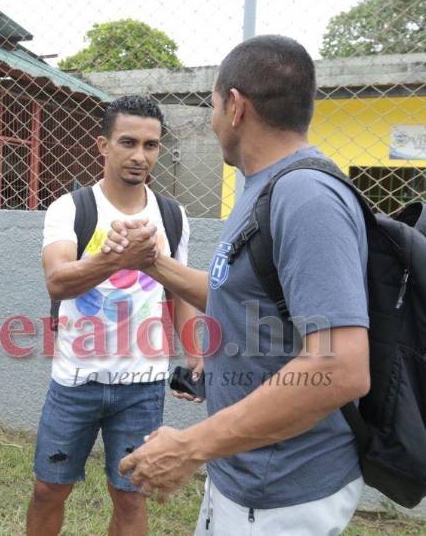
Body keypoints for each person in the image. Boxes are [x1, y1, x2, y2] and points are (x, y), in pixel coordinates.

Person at [117, 35, 370, 534]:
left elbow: (341, 367)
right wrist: (153, 264)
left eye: (212, 105)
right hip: (243, 472)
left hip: (281, 493)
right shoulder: (265, 184)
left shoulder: (305, 196)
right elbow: (246, 300)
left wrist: (191, 446)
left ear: (235, 106)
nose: (212, 122)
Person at [27, 95, 197, 536]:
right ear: (103, 146)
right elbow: (58, 281)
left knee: (130, 493)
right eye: (128, 142)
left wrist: (197, 354)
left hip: (142, 386)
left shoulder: (171, 216)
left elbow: (178, 291)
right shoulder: (71, 208)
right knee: (49, 489)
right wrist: (116, 257)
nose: (140, 156)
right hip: (75, 382)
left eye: (151, 145)